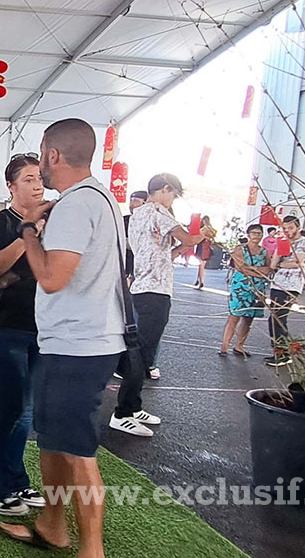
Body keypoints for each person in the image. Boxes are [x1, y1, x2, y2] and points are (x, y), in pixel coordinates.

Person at [0, 118, 124, 557]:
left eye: (42, 157)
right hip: (76, 342)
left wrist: (29, 232)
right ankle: (53, 525)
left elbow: (52, 278)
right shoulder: (98, 198)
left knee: (76, 450)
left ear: (53, 154)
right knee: (54, 439)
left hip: (79, 345)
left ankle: (92, 550)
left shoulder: (74, 205)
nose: (41, 172)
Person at [0, 153, 47, 516]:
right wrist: (27, 233)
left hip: (44, 330)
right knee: (11, 407)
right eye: (29, 179)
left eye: (40, 178)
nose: (37, 185)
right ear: (11, 186)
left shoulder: (58, 219)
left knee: (27, 410)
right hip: (5, 328)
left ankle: (15, 479)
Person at [111, 173, 202, 438]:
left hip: (144, 286)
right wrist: (202, 234)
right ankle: (123, 413)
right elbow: (189, 239)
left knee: (144, 352)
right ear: (165, 189)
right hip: (154, 291)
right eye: (173, 194)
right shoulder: (159, 211)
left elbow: (166, 253)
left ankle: (134, 406)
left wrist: (184, 246)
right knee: (142, 353)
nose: (172, 200)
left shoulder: (138, 215)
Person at [265, 215, 305, 367]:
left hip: (292, 285)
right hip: (277, 284)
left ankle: (283, 353)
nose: (287, 231)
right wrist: (280, 247)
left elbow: (297, 262)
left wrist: (281, 265)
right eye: (284, 228)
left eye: (290, 228)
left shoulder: (304, 242)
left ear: (297, 227)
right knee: (275, 318)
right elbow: (273, 264)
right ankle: (279, 352)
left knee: (278, 318)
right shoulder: (283, 242)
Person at [221, 224, 271, 356]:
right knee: (234, 315)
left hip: (257, 288)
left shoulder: (264, 251)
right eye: (254, 233)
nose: (256, 236)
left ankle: (239, 346)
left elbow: (269, 269)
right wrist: (259, 271)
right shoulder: (240, 249)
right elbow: (241, 267)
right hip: (241, 286)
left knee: (249, 318)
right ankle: (224, 346)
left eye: (259, 233)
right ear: (248, 234)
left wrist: (252, 270)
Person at [124, 190, 148, 282]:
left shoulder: (150, 221)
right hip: (125, 261)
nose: (132, 205)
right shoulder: (124, 220)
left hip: (141, 264)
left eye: (136, 201)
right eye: (131, 201)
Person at [194, 216, 218, 289]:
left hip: (202, 246)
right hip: (206, 246)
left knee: (201, 265)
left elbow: (199, 234)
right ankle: (198, 280)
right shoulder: (210, 228)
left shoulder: (205, 228)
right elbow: (214, 235)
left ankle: (201, 281)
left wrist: (204, 236)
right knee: (201, 265)